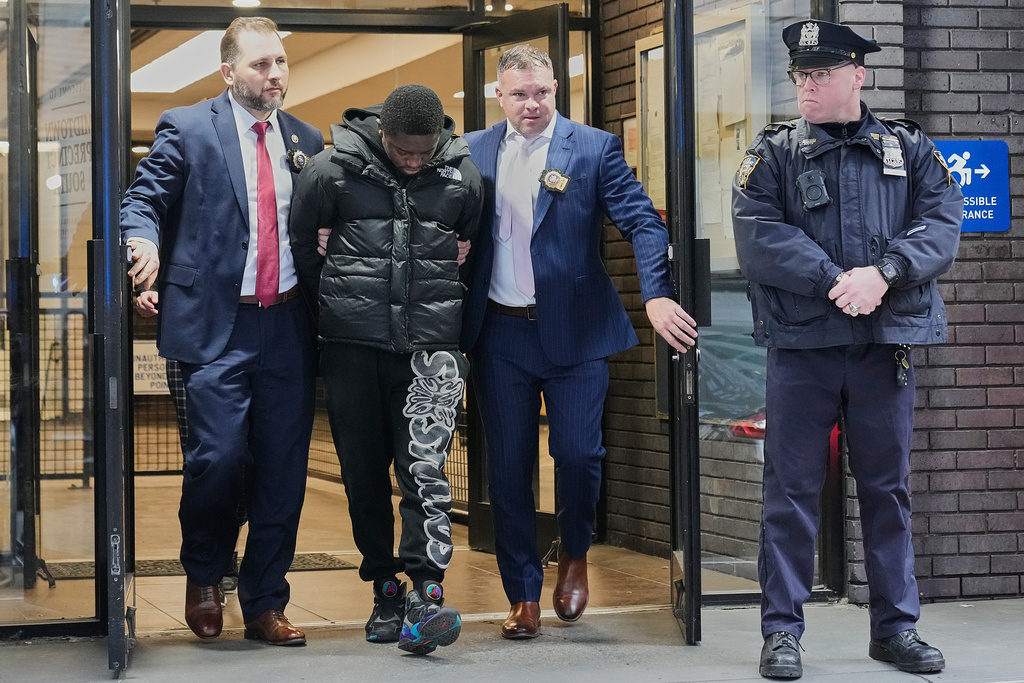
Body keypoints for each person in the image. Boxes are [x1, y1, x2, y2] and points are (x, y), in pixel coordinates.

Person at [731, 19, 963, 680]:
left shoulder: (909, 149)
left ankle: (895, 627)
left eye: (821, 74)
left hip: (881, 347)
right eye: (801, 74)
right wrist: (833, 278)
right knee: (790, 490)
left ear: (858, 74)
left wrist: (883, 274)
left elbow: (941, 222)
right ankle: (781, 631)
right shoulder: (774, 155)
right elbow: (756, 233)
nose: (807, 85)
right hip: (803, 348)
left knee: (887, 490)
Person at [461, 44, 698, 640]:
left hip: (578, 333)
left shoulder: (592, 148)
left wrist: (657, 293)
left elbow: (644, 221)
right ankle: (523, 595)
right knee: (509, 469)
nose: (533, 103)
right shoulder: (470, 152)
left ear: (554, 90)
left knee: (576, 454)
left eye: (543, 91)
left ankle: (573, 551)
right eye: (520, 94)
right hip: (501, 333)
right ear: (500, 95)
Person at [121, 16, 324, 646]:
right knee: (218, 457)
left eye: (281, 63)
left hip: (289, 323)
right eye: (261, 64)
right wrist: (141, 242)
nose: (274, 75)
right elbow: (143, 198)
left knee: (285, 471)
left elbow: (325, 220)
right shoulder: (188, 127)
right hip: (216, 324)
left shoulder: (308, 139)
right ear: (228, 71)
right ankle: (205, 574)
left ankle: (265, 601)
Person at [289, 84, 483, 655]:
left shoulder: (462, 176)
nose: (414, 161)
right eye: (403, 151)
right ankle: (385, 588)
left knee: (424, 472)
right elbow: (303, 246)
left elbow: (472, 248)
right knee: (363, 474)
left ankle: (427, 592)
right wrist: (328, 315)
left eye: (424, 152)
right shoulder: (330, 170)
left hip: (431, 350)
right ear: (382, 135)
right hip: (352, 347)